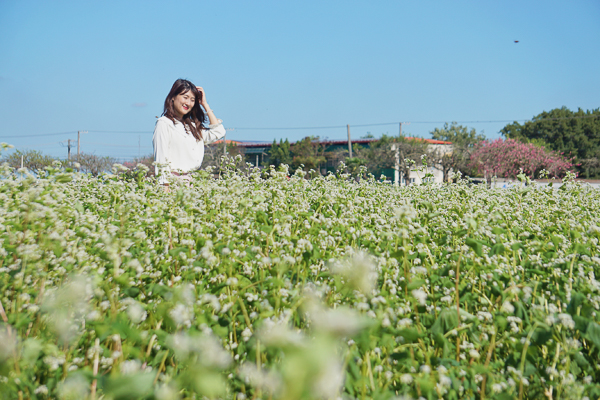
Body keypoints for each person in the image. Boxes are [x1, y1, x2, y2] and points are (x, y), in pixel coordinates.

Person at [152, 79, 226, 189]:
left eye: (192, 100)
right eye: (185, 97)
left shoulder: (192, 126)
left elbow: (218, 132)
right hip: (173, 183)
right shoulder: (164, 123)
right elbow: (161, 160)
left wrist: (205, 104)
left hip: (193, 183)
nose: (188, 103)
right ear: (173, 97)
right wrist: (165, 189)